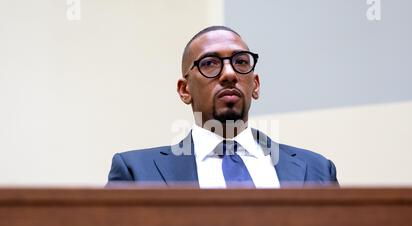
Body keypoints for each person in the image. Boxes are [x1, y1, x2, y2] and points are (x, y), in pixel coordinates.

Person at [108, 26, 338, 188]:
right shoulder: (136, 172)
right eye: (209, 64)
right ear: (184, 90)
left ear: (255, 85)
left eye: (241, 62)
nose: (229, 74)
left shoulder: (317, 169)